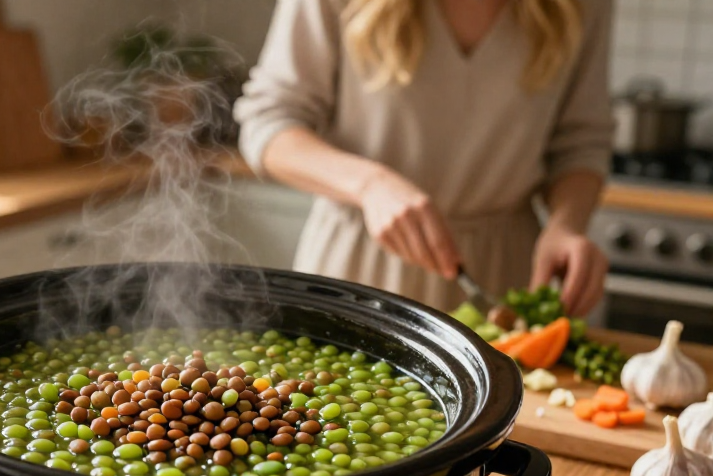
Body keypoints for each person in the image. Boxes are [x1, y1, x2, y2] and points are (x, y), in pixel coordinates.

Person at [234, 0, 613, 316]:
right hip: (356, 269)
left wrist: (567, 224)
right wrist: (369, 185)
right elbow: (268, 122)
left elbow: (581, 142)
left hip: (503, 275)